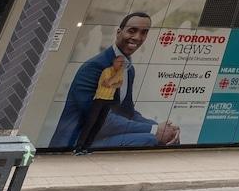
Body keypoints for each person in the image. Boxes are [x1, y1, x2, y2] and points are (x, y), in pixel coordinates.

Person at [52, 11, 181, 150]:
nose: (137, 37)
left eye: (144, 32)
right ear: (118, 32)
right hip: (78, 140)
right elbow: (99, 119)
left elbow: (128, 113)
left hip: (104, 135)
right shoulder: (95, 67)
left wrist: (163, 128)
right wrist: (154, 130)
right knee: (151, 139)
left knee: (167, 138)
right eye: (132, 31)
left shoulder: (128, 69)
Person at [72, 50, 127, 155]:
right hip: (99, 99)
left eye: (123, 62)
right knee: (90, 123)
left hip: (109, 100)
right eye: (120, 62)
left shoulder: (120, 74)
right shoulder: (107, 71)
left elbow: (119, 84)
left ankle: (86, 147)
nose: (122, 64)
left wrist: (113, 83)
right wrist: (114, 80)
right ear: (114, 62)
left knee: (99, 124)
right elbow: (107, 83)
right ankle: (78, 147)